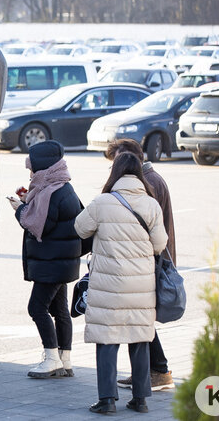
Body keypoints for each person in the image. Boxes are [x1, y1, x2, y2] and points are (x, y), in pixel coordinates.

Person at [75, 152, 167, 415]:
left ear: (114, 172)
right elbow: (160, 244)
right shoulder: (150, 204)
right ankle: (140, 400)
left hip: (109, 286)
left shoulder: (103, 202)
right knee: (139, 339)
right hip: (140, 286)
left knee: (107, 340)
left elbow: (79, 228)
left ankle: (107, 401)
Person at [7, 140, 82, 379]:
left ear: (43, 167)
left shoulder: (51, 192)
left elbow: (40, 225)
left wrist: (19, 209)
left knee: (37, 308)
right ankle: (65, 359)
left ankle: (51, 359)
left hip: (52, 263)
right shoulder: (61, 187)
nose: (30, 173)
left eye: (33, 168)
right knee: (60, 309)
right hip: (62, 262)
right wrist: (29, 200)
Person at [105, 138, 176, 391]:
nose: (113, 168)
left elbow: (148, 230)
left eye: (116, 161)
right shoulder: (150, 180)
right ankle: (153, 371)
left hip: (149, 262)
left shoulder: (149, 184)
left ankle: (158, 370)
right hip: (149, 260)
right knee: (140, 317)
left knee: (140, 319)